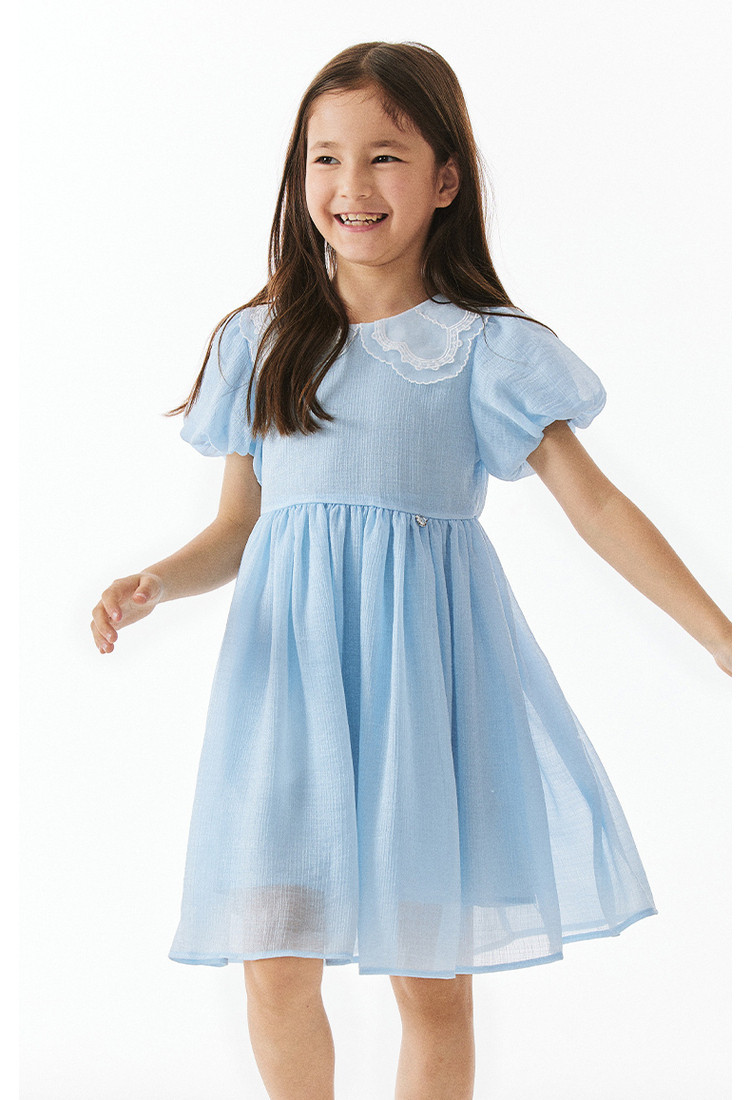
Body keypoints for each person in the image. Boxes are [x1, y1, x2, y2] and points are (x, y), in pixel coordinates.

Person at [89, 40, 731, 1100]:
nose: (351, 184)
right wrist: (155, 580)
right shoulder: (260, 342)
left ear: (444, 180)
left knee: (433, 986)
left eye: (384, 156)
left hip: (424, 697)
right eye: (326, 158)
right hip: (287, 695)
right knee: (274, 961)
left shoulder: (483, 348)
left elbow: (598, 507)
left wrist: (718, 631)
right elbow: (239, 528)